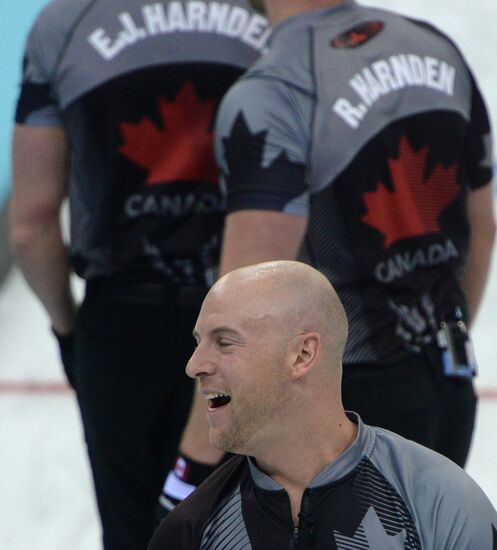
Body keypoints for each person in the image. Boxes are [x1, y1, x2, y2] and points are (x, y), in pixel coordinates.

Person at [163, 0, 496, 497]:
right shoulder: (435, 48)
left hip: (345, 409)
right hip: (447, 382)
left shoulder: (273, 91)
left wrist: (193, 467)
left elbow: (242, 310)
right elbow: (482, 226)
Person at [9, 1, 269, 549]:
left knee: (136, 533)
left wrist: (70, 330)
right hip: (255, 317)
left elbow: (31, 225)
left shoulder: (65, 23)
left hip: (123, 323)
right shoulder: (271, 14)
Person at [148, 260, 497, 549]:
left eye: (224, 342)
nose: (194, 365)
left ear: (302, 354)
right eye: (198, 342)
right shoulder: (189, 530)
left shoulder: (440, 505)